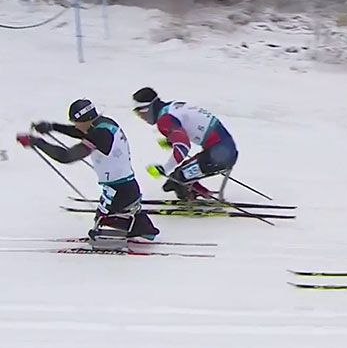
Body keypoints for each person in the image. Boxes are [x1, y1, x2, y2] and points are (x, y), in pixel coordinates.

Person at [16, 99, 159, 245]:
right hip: (125, 185)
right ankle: (145, 231)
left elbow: (66, 156)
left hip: (120, 190)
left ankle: (125, 235)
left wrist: (37, 143)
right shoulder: (104, 124)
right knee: (112, 213)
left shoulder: (100, 134)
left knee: (104, 218)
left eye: (76, 122)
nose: (75, 126)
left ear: (86, 119)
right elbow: (79, 132)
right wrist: (52, 127)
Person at [131, 87, 238, 201]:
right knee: (177, 178)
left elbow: (183, 147)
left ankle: (191, 199)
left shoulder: (165, 120)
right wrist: (172, 141)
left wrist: (164, 169)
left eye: (139, 113)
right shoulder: (172, 106)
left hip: (219, 156)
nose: (142, 118)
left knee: (176, 181)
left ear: (147, 109)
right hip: (224, 152)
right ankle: (202, 193)